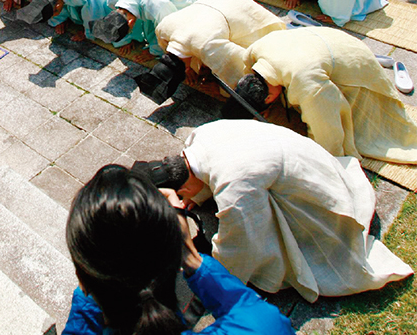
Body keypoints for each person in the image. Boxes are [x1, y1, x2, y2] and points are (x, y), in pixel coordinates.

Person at [138, 121, 413, 305]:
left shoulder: (234, 182)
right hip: (303, 154)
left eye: (183, 192)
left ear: (183, 182)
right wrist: (197, 195)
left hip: (314, 187)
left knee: (259, 234)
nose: (186, 197)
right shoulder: (200, 135)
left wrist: (204, 266)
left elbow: (240, 245)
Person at [59, 163, 301, 335]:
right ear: (172, 259)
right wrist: (191, 256)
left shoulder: (87, 301)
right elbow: (250, 312)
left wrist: (90, 283)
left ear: (83, 273)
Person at [225, 27, 417, 164]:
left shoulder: (306, 83)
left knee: (367, 131)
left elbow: (327, 131)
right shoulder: (253, 52)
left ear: (268, 99)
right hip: (326, 38)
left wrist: (324, 159)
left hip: (354, 59)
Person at [136, 0, 284, 104]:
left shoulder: (207, 46)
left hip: (238, 9)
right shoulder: (163, 27)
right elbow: (177, 47)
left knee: (262, 49)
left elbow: (238, 68)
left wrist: (222, 91)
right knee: (209, 49)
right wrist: (189, 68)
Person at [92, 0, 195, 59]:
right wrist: (126, 40)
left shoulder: (157, 7)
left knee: (164, 28)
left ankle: (155, 50)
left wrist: (157, 51)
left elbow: (172, 30)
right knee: (144, 19)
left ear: (130, 22)